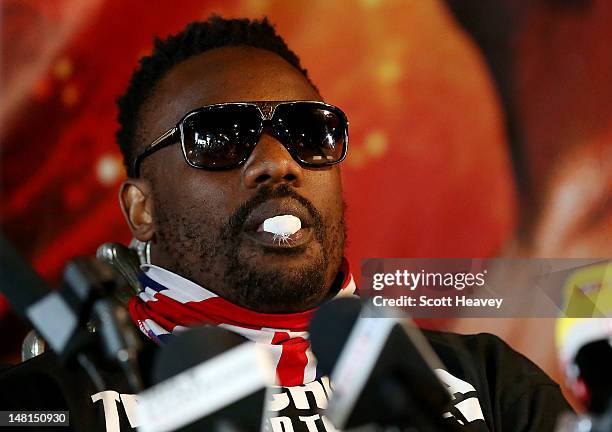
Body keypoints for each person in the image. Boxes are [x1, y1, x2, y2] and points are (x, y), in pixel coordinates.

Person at [0, 16, 571, 432]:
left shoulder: (490, 382)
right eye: (219, 137)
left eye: (309, 133)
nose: (279, 163)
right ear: (142, 210)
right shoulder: (51, 402)